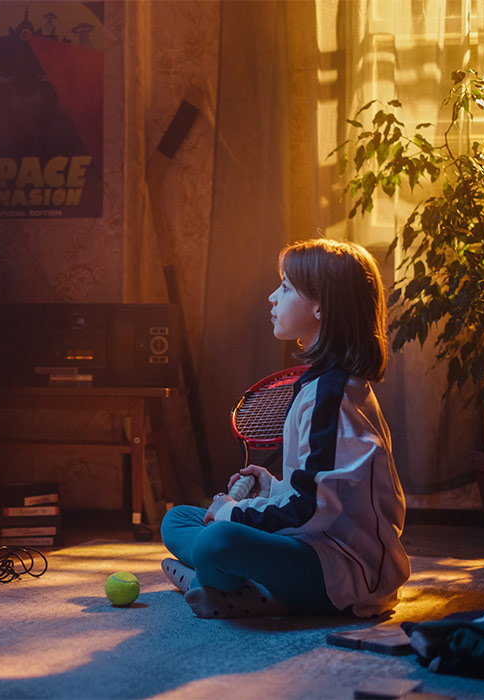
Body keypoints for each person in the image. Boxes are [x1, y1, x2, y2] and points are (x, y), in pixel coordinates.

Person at [160, 238, 410, 619]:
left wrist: (232, 513)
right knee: (177, 519)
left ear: (320, 305)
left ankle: (221, 588)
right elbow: (322, 489)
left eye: (286, 287)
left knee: (218, 539)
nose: (271, 297)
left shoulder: (331, 395)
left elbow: (314, 508)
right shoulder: (320, 384)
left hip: (345, 571)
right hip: (316, 541)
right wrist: (270, 487)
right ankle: (221, 581)